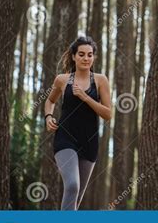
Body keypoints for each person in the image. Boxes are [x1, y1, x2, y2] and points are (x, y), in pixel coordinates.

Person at [44, 36, 112, 210]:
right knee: (73, 185)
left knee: (77, 196)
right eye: (81, 54)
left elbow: (108, 114)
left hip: (89, 142)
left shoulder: (100, 80)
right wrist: (48, 116)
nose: (86, 58)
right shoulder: (62, 79)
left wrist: (85, 96)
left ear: (93, 57)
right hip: (65, 138)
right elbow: (50, 101)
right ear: (73, 56)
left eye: (90, 55)